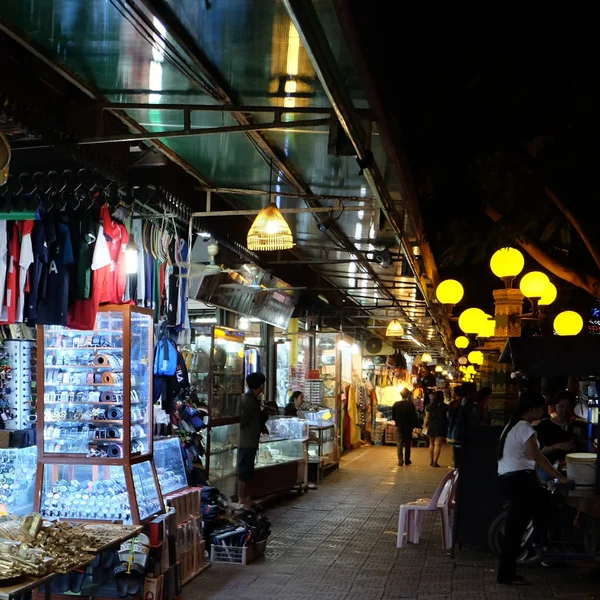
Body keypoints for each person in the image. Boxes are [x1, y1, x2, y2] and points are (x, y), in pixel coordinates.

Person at [496, 391, 571, 586]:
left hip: (514, 480)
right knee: (522, 524)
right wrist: (560, 477)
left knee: (523, 521)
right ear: (531, 409)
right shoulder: (524, 428)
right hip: (519, 482)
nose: (543, 411)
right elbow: (536, 457)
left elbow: (529, 462)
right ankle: (539, 545)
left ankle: (535, 548)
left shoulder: (513, 426)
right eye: (540, 408)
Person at [238, 372, 266, 506]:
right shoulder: (249, 400)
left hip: (250, 440)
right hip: (246, 441)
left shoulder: (252, 399)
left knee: (247, 469)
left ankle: (246, 498)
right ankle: (242, 499)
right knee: (245, 470)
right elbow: (243, 420)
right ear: (261, 385)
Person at [535, 390, 577, 470]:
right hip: (548, 468)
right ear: (554, 407)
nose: (565, 410)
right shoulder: (544, 425)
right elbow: (537, 452)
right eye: (561, 407)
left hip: (572, 467)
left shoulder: (576, 425)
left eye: (568, 407)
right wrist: (557, 446)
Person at [392, 387, 418, 466]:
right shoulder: (410, 405)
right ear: (408, 395)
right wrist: (415, 425)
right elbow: (413, 416)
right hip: (408, 426)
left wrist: (397, 422)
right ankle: (407, 460)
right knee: (407, 443)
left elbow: (393, 416)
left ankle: (400, 460)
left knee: (399, 442)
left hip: (399, 425)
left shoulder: (396, 404)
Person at [424, 391, 448, 467]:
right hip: (441, 426)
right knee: (437, 445)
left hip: (431, 426)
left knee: (431, 444)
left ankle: (431, 461)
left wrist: (424, 426)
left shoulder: (429, 406)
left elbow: (426, 417)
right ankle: (435, 462)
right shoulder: (445, 406)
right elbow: (448, 417)